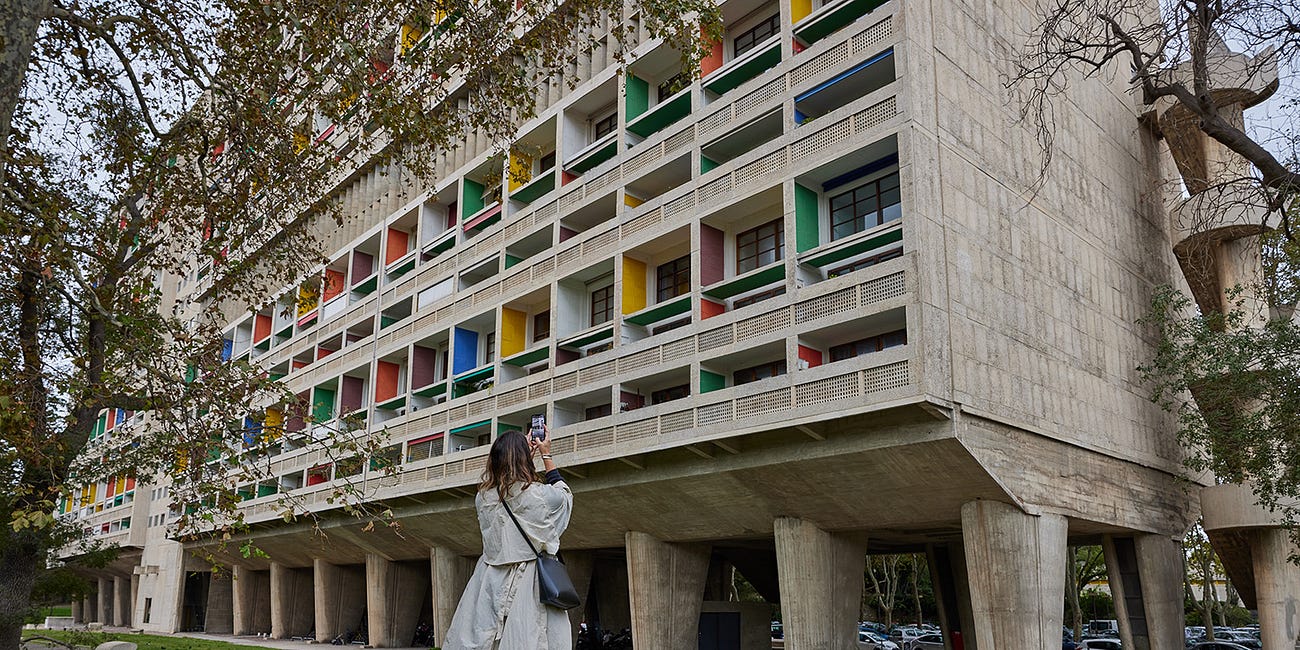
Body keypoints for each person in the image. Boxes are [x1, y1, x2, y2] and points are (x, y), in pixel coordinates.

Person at [443, 427, 573, 649]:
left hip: (489, 577)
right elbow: (564, 496)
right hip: (530, 580)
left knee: (482, 637)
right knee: (529, 638)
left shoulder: (483, 497)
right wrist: (546, 455)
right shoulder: (538, 495)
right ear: (524, 458)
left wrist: (522, 460)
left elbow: (509, 491)